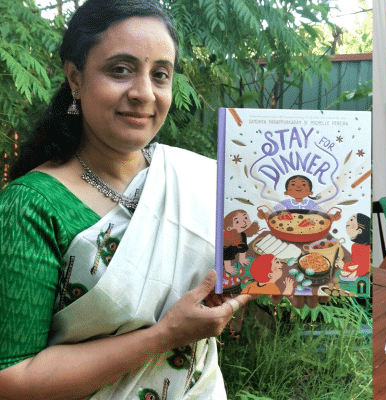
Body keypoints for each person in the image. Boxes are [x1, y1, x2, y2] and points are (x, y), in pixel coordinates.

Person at [0, 1, 257, 398]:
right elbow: (11, 379)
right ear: (75, 78)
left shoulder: (198, 181)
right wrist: (166, 334)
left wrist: (289, 275)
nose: (143, 93)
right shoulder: (31, 206)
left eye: (160, 75)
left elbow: (248, 272)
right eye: (120, 70)